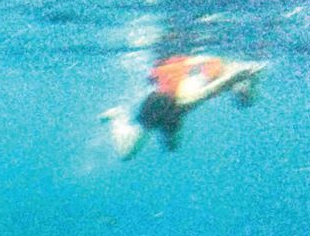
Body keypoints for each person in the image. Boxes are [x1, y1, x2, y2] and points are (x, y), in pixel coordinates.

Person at [101, 54, 265, 159]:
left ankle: (160, 130)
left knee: (171, 146)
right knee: (127, 154)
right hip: (162, 103)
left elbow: (209, 88)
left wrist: (238, 79)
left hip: (174, 103)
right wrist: (236, 78)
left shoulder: (224, 70)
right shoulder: (219, 74)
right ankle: (117, 116)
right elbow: (200, 95)